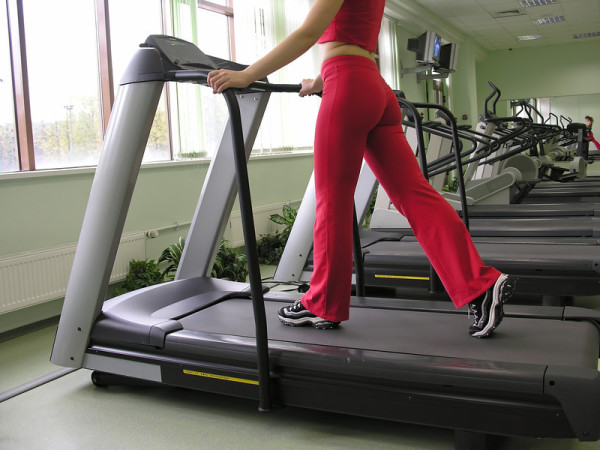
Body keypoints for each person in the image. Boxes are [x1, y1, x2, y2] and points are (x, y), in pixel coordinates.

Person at [207, 0, 515, 338]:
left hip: (348, 83)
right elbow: (353, 36)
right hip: (372, 85)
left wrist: (246, 75)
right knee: (415, 195)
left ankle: (322, 302)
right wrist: (323, 79)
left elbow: (309, 33)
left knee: (332, 201)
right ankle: (480, 284)